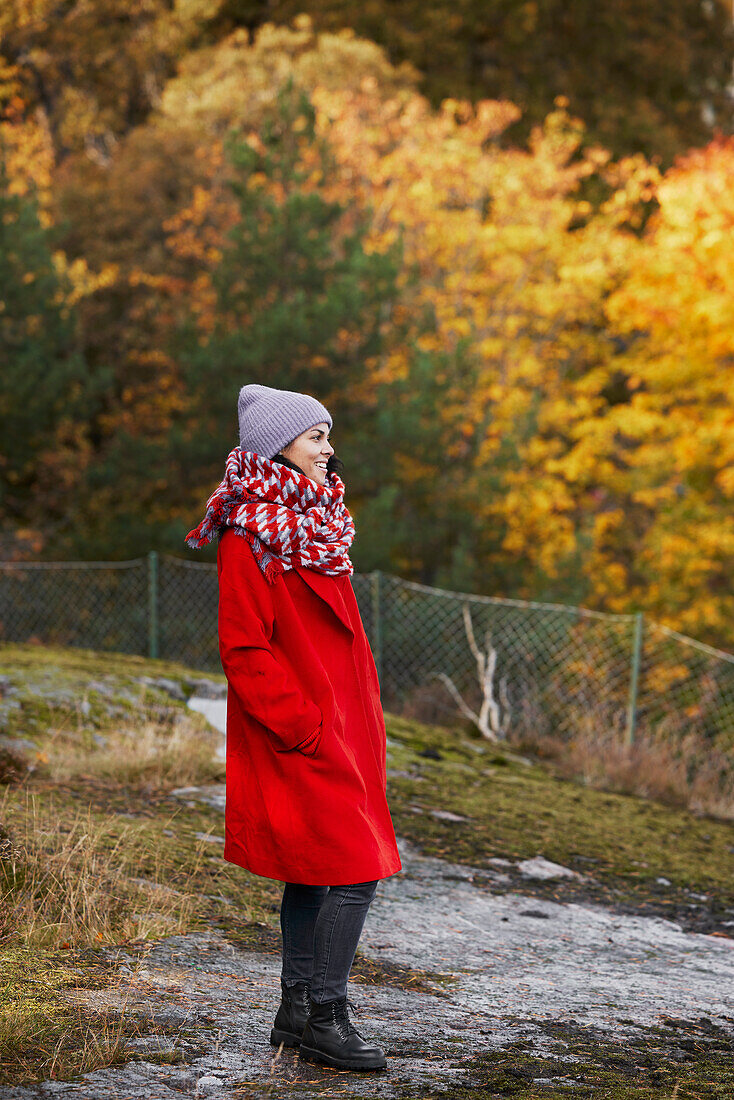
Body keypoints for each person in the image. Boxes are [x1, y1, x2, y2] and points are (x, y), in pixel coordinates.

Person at [185, 383, 402, 1072]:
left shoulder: (318, 521)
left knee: (315, 870)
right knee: (353, 866)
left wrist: (348, 718)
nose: (329, 448)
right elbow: (244, 648)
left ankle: (294, 1009)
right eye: (316, 436)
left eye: (326, 433)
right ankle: (326, 1014)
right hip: (301, 730)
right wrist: (301, 725)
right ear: (279, 445)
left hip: (342, 724)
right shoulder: (251, 535)